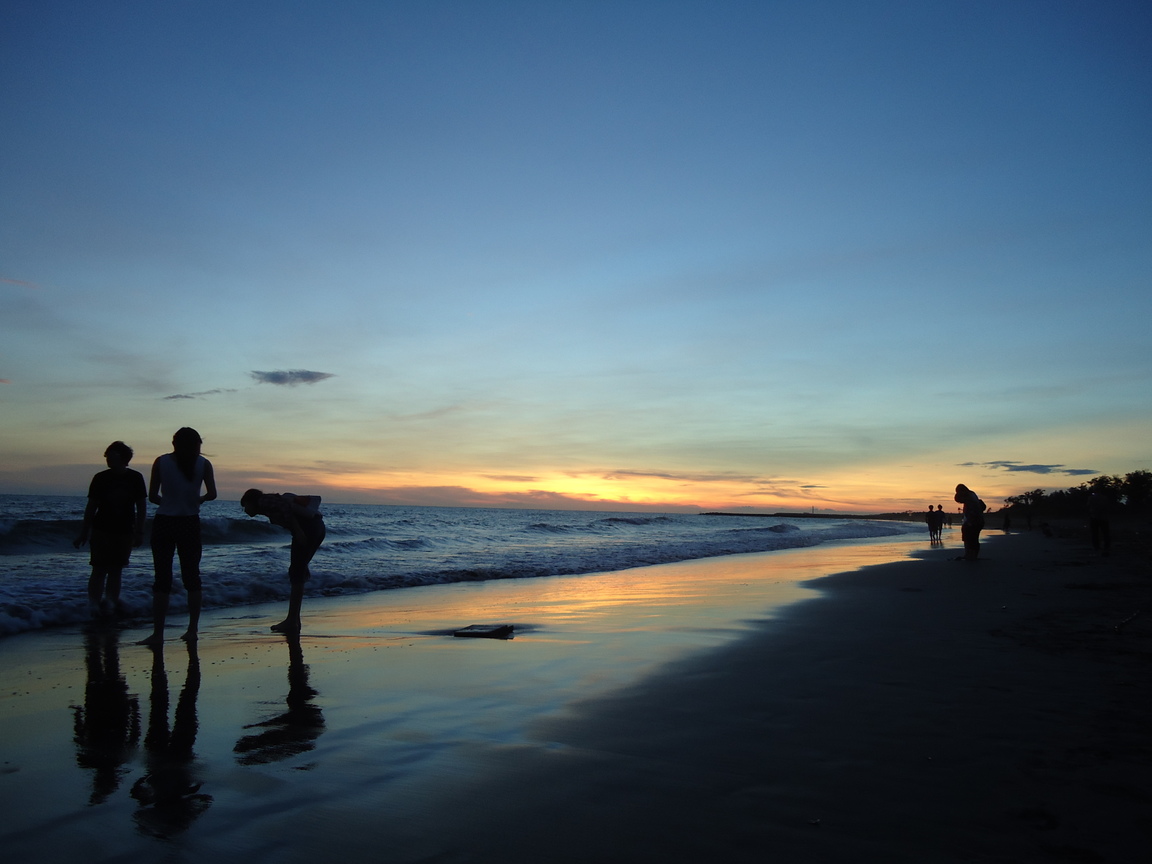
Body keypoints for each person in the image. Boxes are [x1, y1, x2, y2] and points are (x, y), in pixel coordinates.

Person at [138, 428, 216, 646]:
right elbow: (212, 494)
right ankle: (192, 630)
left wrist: (168, 502)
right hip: (189, 522)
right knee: (192, 578)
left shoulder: (161, 462)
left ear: (174, 444)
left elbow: (152, 496)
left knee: (162, 578)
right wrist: (198, 500)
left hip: (164, 522)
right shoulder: (203, 464)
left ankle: (158, 633)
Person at [74, 441, 147, 618]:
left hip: (124, 530)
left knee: (116, 569)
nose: (108, 458)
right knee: (98, 568)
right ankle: (93, 606)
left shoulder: (135, 478)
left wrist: (139, 531)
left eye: (112, 455)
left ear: (123, 458)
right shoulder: (100, 478)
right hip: (102, 529)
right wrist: (84, 532)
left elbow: (141, 507)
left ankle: (111, 605)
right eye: (107, 455)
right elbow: (91, 507)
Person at [240, 489, 326, 634]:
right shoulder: (266, 505)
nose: (245, 510)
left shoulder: (264, 501)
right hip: (316, 527)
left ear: (251, 501)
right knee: (298, 572)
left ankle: (292, 620)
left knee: (296, 574)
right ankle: (294, 620)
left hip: (308, 529)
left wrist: (298, 531)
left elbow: (286, 508)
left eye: (245, 506)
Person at [954, 483, 986, 561]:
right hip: (977, 521)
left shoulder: (970, 499)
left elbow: (973, 512)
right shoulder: (971, 495)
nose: (960, 502)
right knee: (972, 538)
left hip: (974, 522)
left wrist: (970, 522)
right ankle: (970, 555)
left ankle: (971, 555)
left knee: (971, 538)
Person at [1087, 491, 1112, 556]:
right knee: (1105, 533)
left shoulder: (1091, 498)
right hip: (1104, 518)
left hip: (1094, 517)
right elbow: (1108, 507)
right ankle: (1106, 546)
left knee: (1095, 533)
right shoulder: (1104, 498)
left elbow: (1088, 506)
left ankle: (1096, 547)